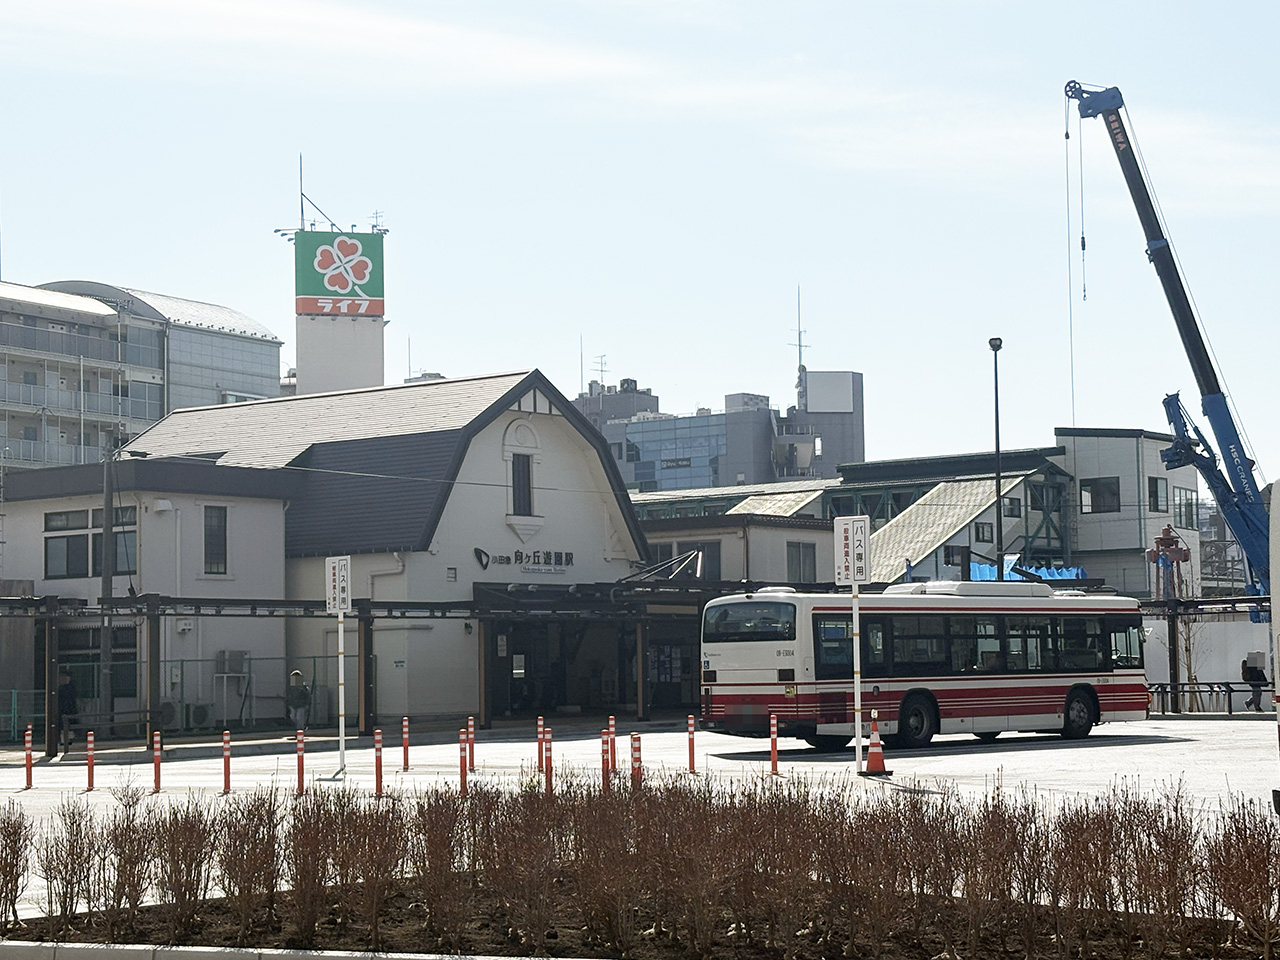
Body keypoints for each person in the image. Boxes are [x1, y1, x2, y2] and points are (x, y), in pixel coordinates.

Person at [57, 669, 78, 751]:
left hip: (69, 708)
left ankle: (68, 740)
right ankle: (64, 740)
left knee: (69, 725)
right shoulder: (61, 688)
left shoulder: (71, 687)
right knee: (63, 725)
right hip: (63, 709)